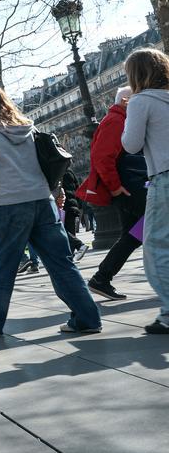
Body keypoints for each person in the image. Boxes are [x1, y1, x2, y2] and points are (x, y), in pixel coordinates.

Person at [0, 84, 102, 339]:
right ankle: (87, 318)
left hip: (10, 205)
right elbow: (45, 161)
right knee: (62, 263)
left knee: (1, 267)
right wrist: (55, 191)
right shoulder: (28, 128)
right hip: (42, 201)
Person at [77, 86, 149, 300]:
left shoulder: (120, 119)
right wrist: (116, 187)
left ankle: (102, 278)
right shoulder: (116, 121)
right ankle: (102, 277)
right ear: (127, 101)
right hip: (128, 188)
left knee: (134, 235)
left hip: (129, 186)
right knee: (155, 223)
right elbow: (102, 158)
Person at [121, 48, 169, 334]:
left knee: (155, 246)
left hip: (164, 178)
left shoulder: (141, 101)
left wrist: (130, 113)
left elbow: (131, 144)